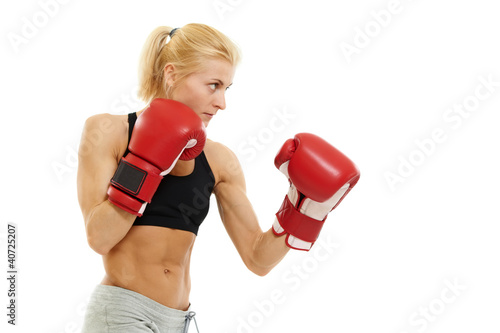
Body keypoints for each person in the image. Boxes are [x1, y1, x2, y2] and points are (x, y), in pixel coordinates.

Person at [77, 23, 360, 333]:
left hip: (178, 322)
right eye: (213, 85)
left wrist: (304, 209)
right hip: (123, 315)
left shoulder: (220, 160)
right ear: (171, 74)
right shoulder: (109, 132)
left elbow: (257, 258)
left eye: (227, 88)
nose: (222, 102)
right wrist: (147, 161)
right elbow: (99, 238)